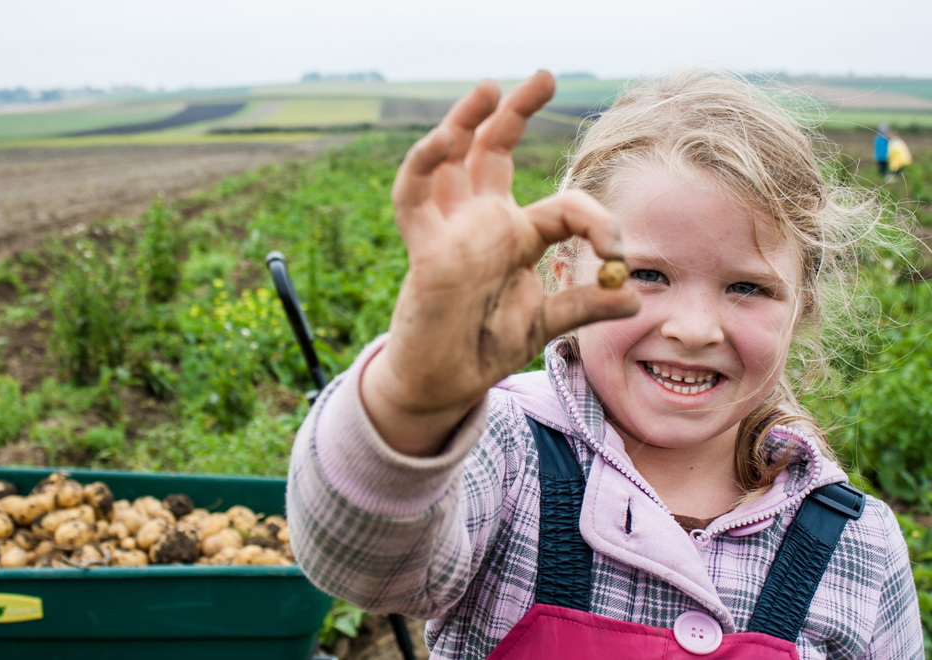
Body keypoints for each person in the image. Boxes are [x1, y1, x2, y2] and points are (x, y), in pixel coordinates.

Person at [287, 70, 922, 659]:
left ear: (800, 307)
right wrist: (411, 397)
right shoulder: (507, 453)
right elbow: (361, 560)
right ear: (564, 280)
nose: (694, 329)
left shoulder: (858, 547)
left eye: (747, 288)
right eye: (646, 274)